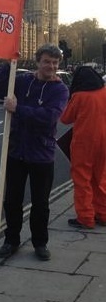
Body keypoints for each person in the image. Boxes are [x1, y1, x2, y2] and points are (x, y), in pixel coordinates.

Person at [0, 43, 69, 261]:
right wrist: (9, 63)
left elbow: (48, 118)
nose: (51, 66)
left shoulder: (60, 90)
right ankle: (11, 240)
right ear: (38, 62)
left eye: (55, 63)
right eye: (47, 61)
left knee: (41, 203)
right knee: (12, 201)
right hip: (17, 151)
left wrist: (18, 109)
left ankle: (40, 242)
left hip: (42, 155)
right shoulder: (24, 81)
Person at [60, 66, 106, 229]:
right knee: (100, 178)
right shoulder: (104, 92)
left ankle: (86, 217)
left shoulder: (79, 96)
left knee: (82, 180)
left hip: (83, 143)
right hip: (103, 142)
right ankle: (102, 213)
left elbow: (65, 119)